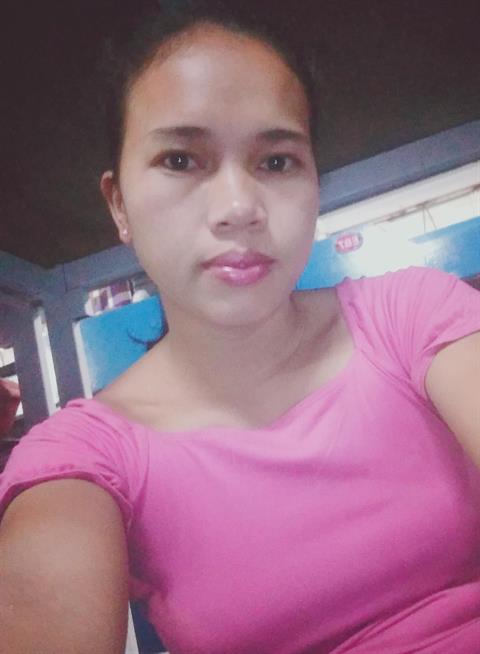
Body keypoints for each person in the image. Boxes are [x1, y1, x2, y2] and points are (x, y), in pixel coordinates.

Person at [1, 4, 480, 653]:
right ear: (119, 205)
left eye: (277, 162)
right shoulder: (89, 456)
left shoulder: (411, 314)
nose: (238, 208)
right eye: (180, 159)